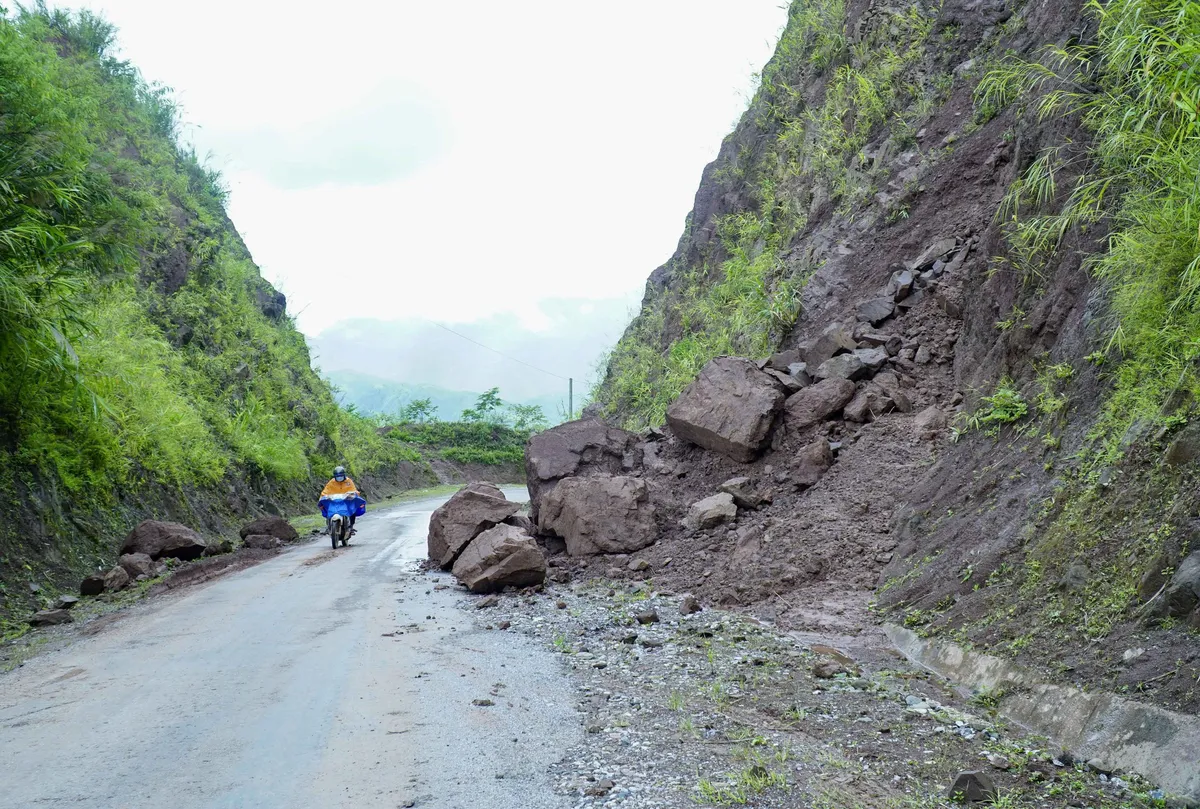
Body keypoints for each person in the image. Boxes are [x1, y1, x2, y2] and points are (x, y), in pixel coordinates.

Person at [320, 466, 362, 534]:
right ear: (334, 476)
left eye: (341, 476)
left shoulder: (348, 481)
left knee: (352, 509)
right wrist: (324, 497)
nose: (339, 478)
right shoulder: (331, 482)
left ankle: (350, 526)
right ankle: (329, 526)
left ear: (344, 475)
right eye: (337, 476)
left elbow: (354, 490)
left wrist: (352, 495)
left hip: (346, 501)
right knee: (329, 511)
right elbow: (325, 491)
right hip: (334, 501)